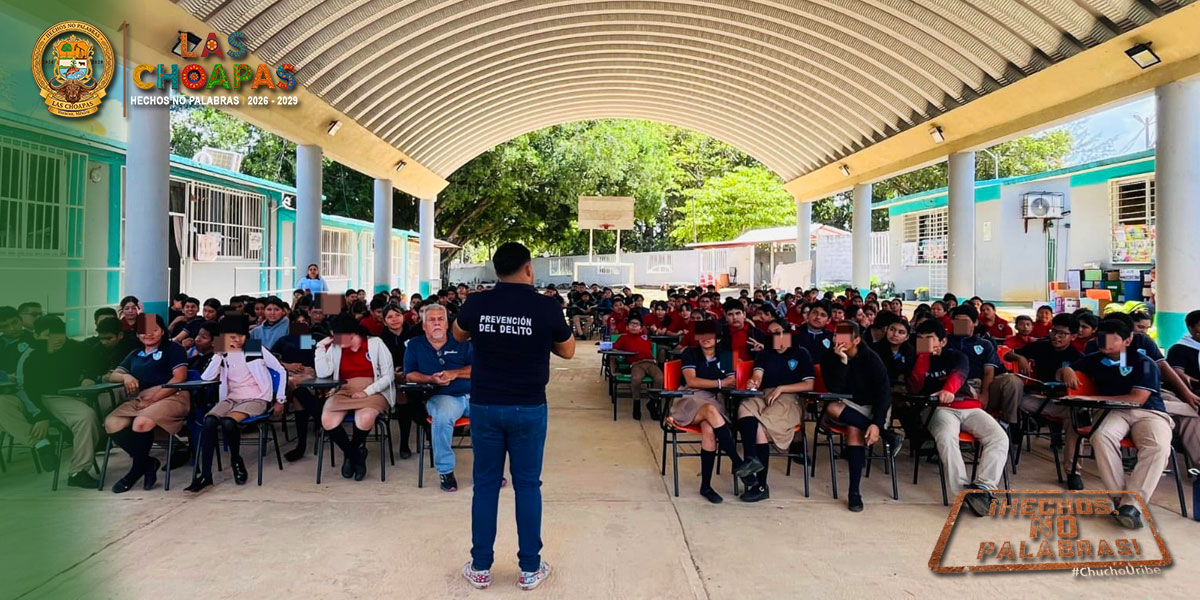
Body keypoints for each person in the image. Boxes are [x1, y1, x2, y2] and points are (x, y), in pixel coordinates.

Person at [452, 242, 575, 591]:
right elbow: (567, 350)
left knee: (486, 486)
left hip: (485, 405)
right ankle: (530, 569)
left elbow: (458, 333)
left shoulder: (477, 303)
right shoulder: (546, 306)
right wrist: (537, 338)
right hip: (529, 407)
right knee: (527, 485)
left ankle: (480, 567)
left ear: (496, 270)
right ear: (529, 268)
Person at [1057, 320, 1173, 529]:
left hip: (1149, 412)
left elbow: (1137, 398)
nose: (1104, 341)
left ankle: (1132, 504)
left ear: (1127, 340)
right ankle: (1122, 502)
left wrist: (1092, 399)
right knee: (1100, 436)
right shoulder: (1094, 359)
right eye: (1101, 335)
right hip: (1115, 412)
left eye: (1112, 337)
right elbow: (1064, 372)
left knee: (1158, 446)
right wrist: (1066, 371)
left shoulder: (1144, 362)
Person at [909, 320, 1009, 517]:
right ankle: (962, 492)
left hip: (968, 406)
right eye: (920, 339)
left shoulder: (957, 356)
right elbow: (914, 387)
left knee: (999, 437)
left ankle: (983, 489)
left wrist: (948, 389)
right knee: (947, 439)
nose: (925, 342)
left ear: (943, 342)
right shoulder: (915, 359)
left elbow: (959, 374)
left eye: (929, 338)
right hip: (939, 410)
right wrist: (922, 360)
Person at [186, 315, 287, 492]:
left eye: (241, 336)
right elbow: (206, 378)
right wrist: (217, 355)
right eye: (232, 337)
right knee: (209, 421)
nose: (237, 340)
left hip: (256, 398)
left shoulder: (253, 348)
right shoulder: (222, 352)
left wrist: (280, 399)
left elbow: (280, 369)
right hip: (231, 398)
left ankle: (236, 461)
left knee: (228, 422)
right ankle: (205, 475)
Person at [0, 316, 102, 487]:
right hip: (31, 398)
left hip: (58, 398)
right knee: (2, 403)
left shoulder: (77, 348)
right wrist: (41, 416)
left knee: (86, 416)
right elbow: (24, 388)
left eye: (58, 334)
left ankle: (78, 472)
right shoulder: (30, 355)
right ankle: (41, 444)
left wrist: (89, 377)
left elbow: (96, 366)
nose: (55, 339)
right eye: (48, 336)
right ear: (37, 336)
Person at [103, 313, 191, 493]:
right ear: (137, 334)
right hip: (142, 398)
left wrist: (154, 398)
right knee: (111, 424)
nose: (148, 334)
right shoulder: (136, 353)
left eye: (154, 329)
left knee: (141, 422)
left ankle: (135, 471)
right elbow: (113, 375)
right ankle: (147, 463)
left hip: (172, 395)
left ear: (162, 331)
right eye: (143, 331)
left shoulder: (173, 348)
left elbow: (180, 378)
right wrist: (126, 376)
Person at [820, 321, 902, 512]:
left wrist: (876, 422)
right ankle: (887, 435)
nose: (837, 341)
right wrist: (842, 361)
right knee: (834, 410)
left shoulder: (871, 358)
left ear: (856, 340)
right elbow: (835, 389)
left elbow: (884, 394)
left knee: (855, 428)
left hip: (874, 406)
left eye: (843, 338)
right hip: (848, 404)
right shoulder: (829, 357)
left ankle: (854, 491)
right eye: (835, 336)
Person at [737, 320, 815, 502]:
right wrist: (753, 382)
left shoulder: (801, 353)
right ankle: (750, 459)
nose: (775, 336)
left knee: (759, 429)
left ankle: (761, 485)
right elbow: (758, 375)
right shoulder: (765, 353)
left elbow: (809, 384)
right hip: (765, 395)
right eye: (771, 333)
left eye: (779, 332)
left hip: (790, 399)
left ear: (787, 333)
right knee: (744, 408)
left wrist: (781, 388)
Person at [314, 314, 395, 481]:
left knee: (364, 418)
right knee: (327, 420)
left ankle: (351, 455)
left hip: (373, 390)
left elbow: (388, 376)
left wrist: (367, 391)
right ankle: (355, 455)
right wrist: (320, 349)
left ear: (351, 332)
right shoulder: (336, 347)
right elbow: (323, 373)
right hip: (344, 389)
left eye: (336, 335)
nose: (333, 339)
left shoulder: (375, 343)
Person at [1007, 313, 1083, 487]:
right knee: (1018, 397)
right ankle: (1013, 430)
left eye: (1062, 334)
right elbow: (1007, 355)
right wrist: (1020, 357)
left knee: (1076, 417)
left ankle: (1073, 472)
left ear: (1073, 336)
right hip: (1035, 398)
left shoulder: (1077, 356)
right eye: (1053, 331)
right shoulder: (1041, 346)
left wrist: (1069, 370)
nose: (1056, 336)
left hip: (1061, 402)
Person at [405, 303, 473, 492]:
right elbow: (410, 374)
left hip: (471, 395)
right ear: (424, 325)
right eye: (431, 320)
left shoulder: (462, 343)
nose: (436, 323)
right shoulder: (415, 345)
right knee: (442, 418)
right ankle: (446, 471)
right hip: (442, 397)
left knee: (490, 417)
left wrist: (455, 373)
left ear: (447, 324)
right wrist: (430, 379)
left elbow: (478, 369)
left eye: (440, 319)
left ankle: (487, 469)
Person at [947, 305, 1023, 449]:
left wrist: (985, 393)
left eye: (965, 321)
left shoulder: (985, 344)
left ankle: (1007, 424)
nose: (961, 325)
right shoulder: (944, 342)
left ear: (975, 323)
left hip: (981, 386)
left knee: (1013, 381)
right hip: (954, 388)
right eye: (957, 321)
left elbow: (989, 372)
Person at [378, 303, 421, 459]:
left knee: (411, 396)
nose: (394, 319)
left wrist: (407, 371)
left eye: (397, 315)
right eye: (390, 317)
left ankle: (415, 436)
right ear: (384, 321)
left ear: (404, 316)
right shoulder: (380, 340)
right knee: (403, 396)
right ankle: (404, 444)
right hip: (389, 377)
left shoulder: (414, 334)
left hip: (412, 375)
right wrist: (392, 373)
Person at [610, 314, 662, 420]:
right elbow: (613, 350)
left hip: (651, 362)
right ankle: (636, 405)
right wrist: (614, 368)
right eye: (632, 324)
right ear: (627, 327)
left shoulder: (645, 336)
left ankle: (653, 403)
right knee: (636, 379)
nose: (634, 326)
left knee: (660, 378)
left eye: (637, 324)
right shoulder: (623, 337)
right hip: (636, 364)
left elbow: (652, 344)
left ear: (641, 327)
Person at [718, 299, 768, 364]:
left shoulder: (756, 333)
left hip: (754, 369)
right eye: (730, 314)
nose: (735, 317)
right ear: (726, 317)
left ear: (744, 314)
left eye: (738, 313)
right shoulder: (720, 332)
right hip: (728, 369)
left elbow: (779, 350)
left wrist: (763, 349)